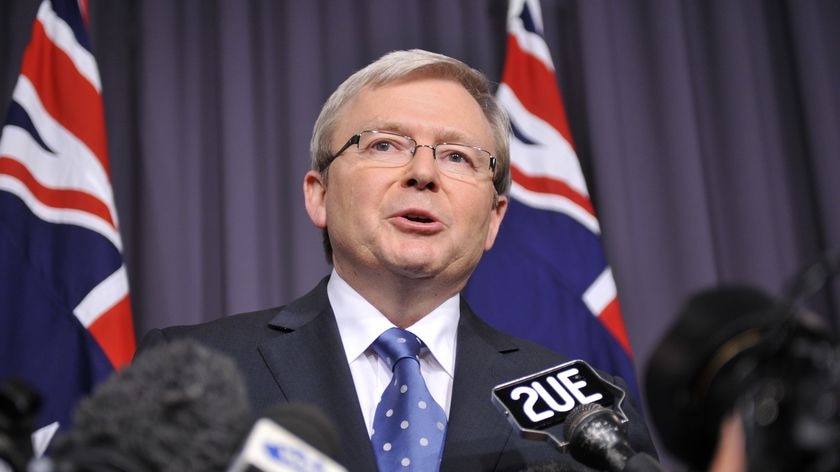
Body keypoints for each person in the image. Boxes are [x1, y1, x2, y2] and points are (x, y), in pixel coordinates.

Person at [139, 49, 656, 471]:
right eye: (385, 145)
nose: (423, 173)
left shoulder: (586, 404)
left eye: (458, 156)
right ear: (318, 195)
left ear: (495, 218)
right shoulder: (191, 368)